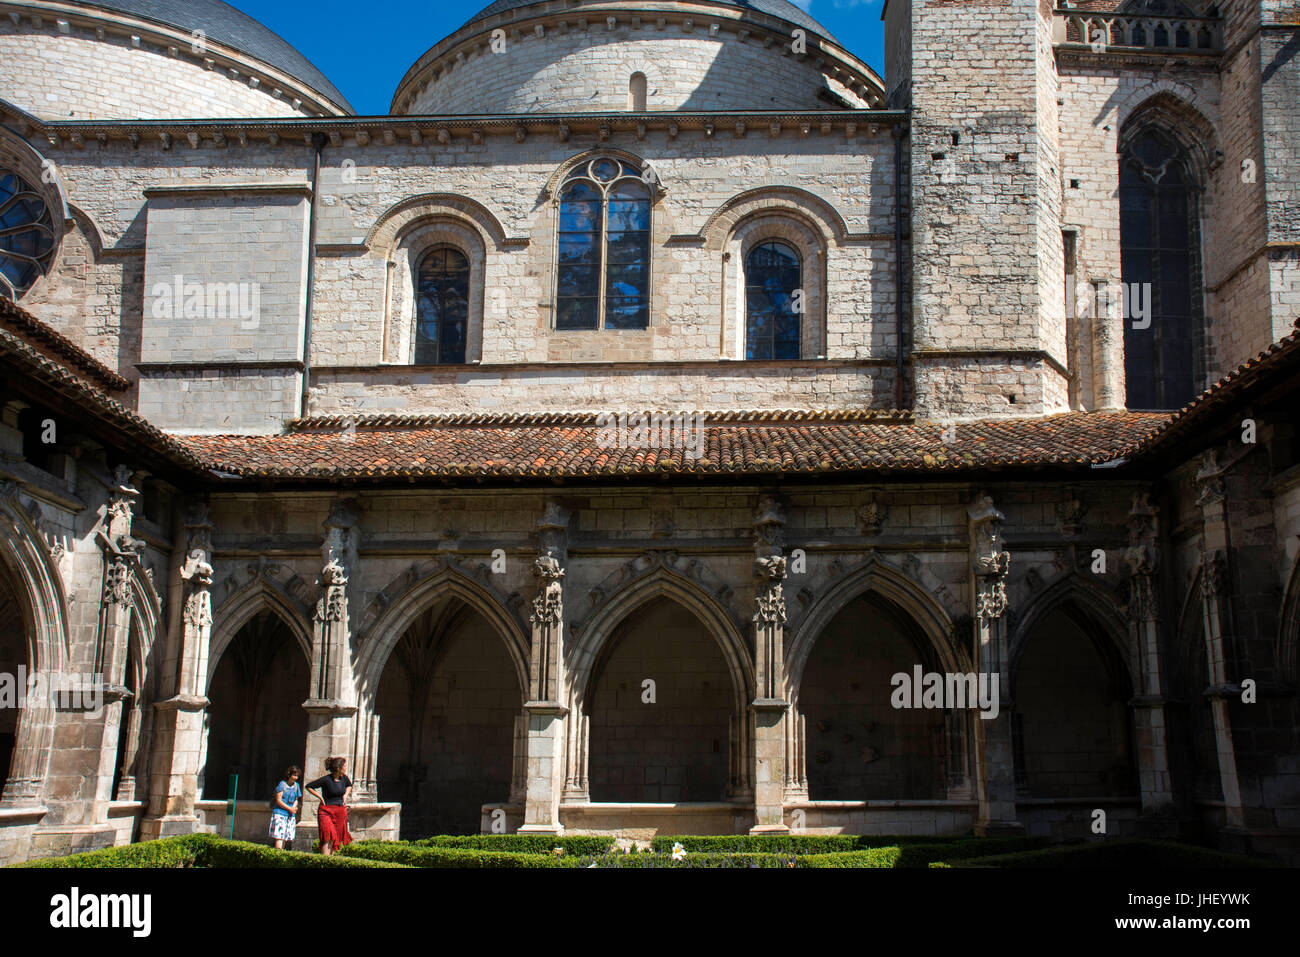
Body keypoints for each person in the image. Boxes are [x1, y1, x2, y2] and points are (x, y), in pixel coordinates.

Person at [306, 756, 353, 855]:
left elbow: (349, 785)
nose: (346, 768)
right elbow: (309, 786)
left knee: (335, 837)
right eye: (344, 766)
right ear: (338, 768)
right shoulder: (326, 780)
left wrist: (345, 795)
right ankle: (325, 860)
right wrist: (320, 797)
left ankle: (331, 860)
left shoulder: (344, 778)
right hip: (326, 811)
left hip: (339, 811)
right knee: (328, 836)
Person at [269, 766, 301, 850]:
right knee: (279, 836)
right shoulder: (282, 784)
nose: (295, 778)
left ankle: (281, 854)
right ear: (289, 775)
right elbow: (279, 800)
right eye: (294, 775)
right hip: (280, 813)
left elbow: (297, 799)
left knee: (285, 837)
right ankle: (278, 855)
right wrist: (289, 809)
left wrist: (294, 807)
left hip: (290, 815)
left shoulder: (296, 786)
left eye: (297, 776)